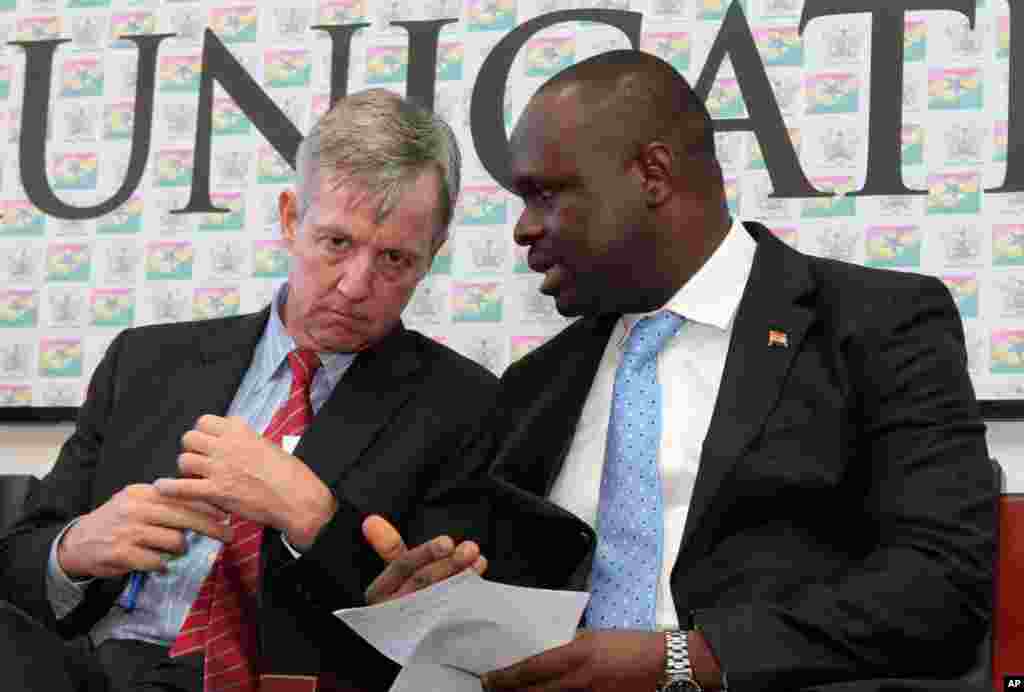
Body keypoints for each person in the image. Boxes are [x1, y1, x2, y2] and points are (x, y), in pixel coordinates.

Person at [371, 50, 997, 691]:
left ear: (652, 173)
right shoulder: (536, 385)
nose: (523, 229)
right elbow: (487, 585)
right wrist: (433, 598)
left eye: (545, 194)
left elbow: (945, 585)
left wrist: (686, 661)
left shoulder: (874, 325)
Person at [0, 88, 495, 692]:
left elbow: (441, 634)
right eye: (337, 243)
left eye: (394, 258)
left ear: (431, 258)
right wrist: (72, 551)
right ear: (291, 219)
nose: (355, 285)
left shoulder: (464, 407)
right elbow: (17, 563)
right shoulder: (145, 361)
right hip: (89, 670)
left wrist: (315, 518)